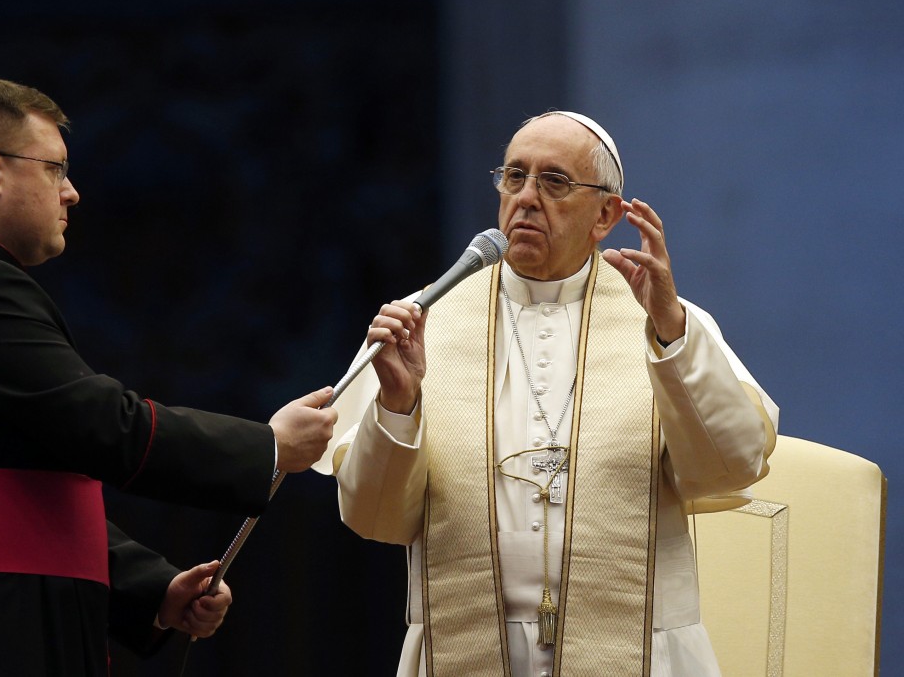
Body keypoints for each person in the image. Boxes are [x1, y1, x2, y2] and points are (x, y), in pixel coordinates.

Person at [0, 77, 337, 675]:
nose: (71, 193)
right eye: (54, 169)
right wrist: (268, 448)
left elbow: (23, 484)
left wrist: (151, 589)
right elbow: (100, 423)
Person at [315, 111, 778, 676]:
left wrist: (670, 334)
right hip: (465, 647)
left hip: (639, 650)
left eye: (554, 182)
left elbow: (730, 467)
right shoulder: (421, 320)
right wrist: (398, 405)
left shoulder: (665, 319)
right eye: (514, 178)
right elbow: (375, 518)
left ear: (607, 213)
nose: (527, 198)